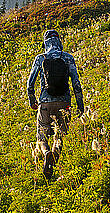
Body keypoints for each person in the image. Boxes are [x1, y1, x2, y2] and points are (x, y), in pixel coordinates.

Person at [27, 29, 84, 179]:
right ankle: (52, 164)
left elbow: (30, 83)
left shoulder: (40, 58)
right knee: (60, 135)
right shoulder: (68, 58)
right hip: (64, 103)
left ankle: (46, 153)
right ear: (59, 41)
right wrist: (80, 106)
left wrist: (32, 99)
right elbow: (76, 83)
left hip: (45, 103)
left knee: (41, 137)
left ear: (45, 43)